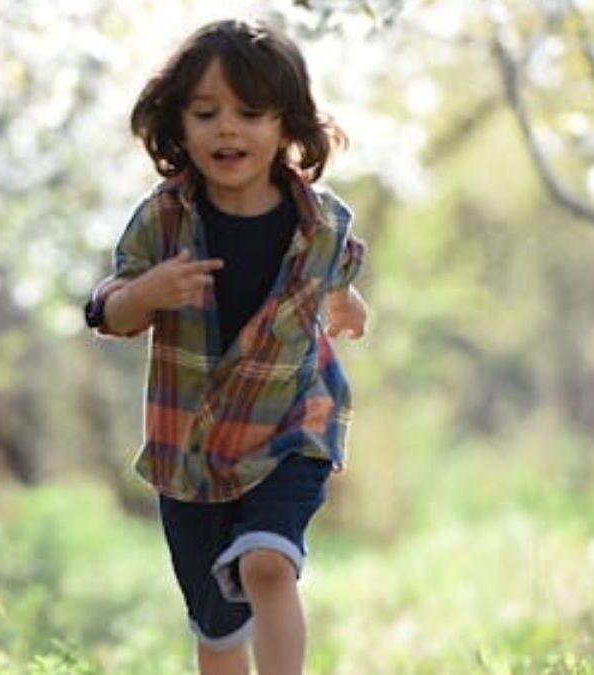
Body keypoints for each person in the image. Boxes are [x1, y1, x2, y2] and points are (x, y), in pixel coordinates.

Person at [84, 18, 367, 675]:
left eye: (250, 112)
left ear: (287, 126)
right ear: (177, 126)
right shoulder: (163, 218)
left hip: (291, 425)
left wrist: (348, 304)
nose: (228, 129)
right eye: (206, 112)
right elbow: (110, 309)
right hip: (191, 445)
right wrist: (148, 291)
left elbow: (338, 272)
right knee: (217, 628)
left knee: (267, 562)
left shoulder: (322, 221)